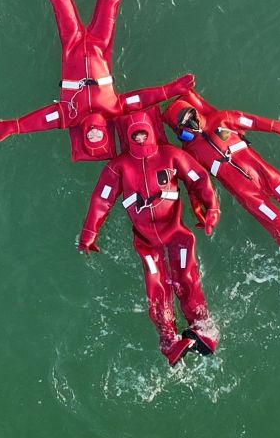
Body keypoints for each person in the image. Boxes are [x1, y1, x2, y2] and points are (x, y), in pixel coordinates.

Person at [0, 0, 192, 161]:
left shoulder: (68, 117)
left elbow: (43, 119)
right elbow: (141, 99)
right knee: (109, 5)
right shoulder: (114, 110)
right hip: (100, 48)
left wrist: (14, 126)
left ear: (82, 137)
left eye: (89, 138)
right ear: (106, 133)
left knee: (62, 9)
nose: (93, 133)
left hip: (72, 47)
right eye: (98, 137)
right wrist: (170, 90)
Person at [162, 91, 280, 280]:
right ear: (178, 129)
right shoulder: (190, 152)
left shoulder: (221, 119)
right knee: (278, 224)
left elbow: (251, 121)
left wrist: (279, 127)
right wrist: (198, 204)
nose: (190, 122)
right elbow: (194, 179)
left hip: (267, 176)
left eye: (189, 115)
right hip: (248, 194)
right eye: (183, 122)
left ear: (194, 111)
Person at [78, 111, 222, 366]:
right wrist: (90, 232)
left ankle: (202, 328)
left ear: (152, 131)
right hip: (146, 241)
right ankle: (169, 341)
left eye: (144, 132)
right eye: (136, 134)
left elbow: (198, 178)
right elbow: (102, 199)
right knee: (156, 286)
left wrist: (212, 208)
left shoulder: (171, 155)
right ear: (129, 137)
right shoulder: (119, 166)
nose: (141, 138)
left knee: (186, 276)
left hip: (176, 233)